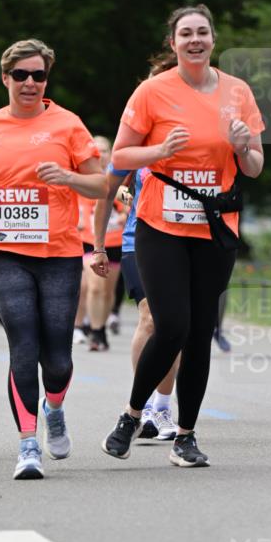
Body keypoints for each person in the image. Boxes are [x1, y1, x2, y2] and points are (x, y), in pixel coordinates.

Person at [101, 4, 264, 466]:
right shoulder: (152, 91)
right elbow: (121, 156)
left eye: (202, 32)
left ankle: (186, 436)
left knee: (199, 332)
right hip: (161, 225)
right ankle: (133, 414)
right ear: (172, 43)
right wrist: (158, 149)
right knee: (171, 324)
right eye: (186, 33)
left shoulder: (237, 91)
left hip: (215, 227)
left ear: (213, 39)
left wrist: (242, 147)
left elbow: (254, 166)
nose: (195, 40)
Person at [0, 38, 106, 479]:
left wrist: (67, 177)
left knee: (57, 357)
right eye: (21, 75)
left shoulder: (68, 124)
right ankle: (27, 444)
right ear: (5, 78)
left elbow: (101, 185)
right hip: (3, 248)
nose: (29, 82)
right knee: (22, 340)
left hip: (58, 250)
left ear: (46, 79)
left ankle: (54, 408)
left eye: (38, 75)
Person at [93, 164, 178, 440]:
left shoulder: (193, 144)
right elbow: (109, 186)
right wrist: (99, 247)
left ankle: (162, 406)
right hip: (138, 242)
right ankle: (145, 403)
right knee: (150, 317)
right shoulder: (137, 143)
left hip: (181, 243)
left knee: (173, 324)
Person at [79, 135, 126, 351]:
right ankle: (95, 331)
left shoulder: (117, 180)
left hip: (114, 241)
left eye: (104, 150)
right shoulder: (83, 178)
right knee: (95, 286)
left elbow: (128, 202)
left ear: (110, 154)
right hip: (88, 240)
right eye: (95, 151)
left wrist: (124, 214)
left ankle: (101, 327)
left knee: (107, 290)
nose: (100, 155)